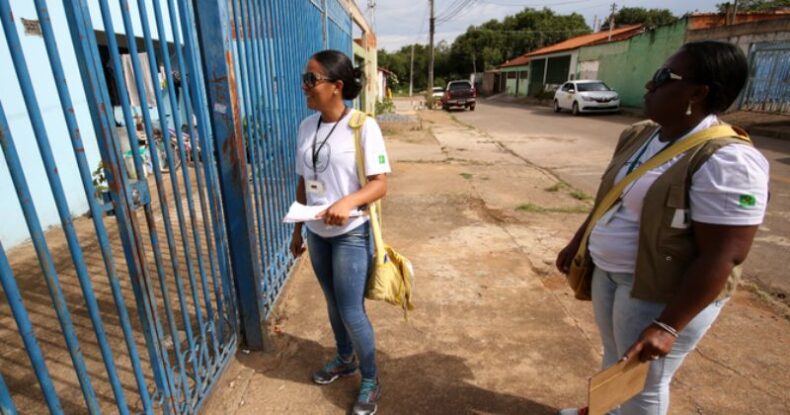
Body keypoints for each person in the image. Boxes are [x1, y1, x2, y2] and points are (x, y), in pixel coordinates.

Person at [556, 41, 769, 415]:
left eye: (663, 77)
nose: (649, 86)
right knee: (615, 362)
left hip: (660, 293)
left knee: (645, 386)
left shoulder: (729, 160)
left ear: (698, 93)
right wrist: (579, 242)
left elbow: (725, 253)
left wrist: (668, 326)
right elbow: (610, 198)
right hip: (611, 276)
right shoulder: (642, 135)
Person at [289, 49, 390, 415]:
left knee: (351, 309)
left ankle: (370, 377)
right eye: (305, 78)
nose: (305, 86)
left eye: (312, 80)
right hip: (317, 233)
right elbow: (304, 181)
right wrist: (299, 231)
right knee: (332, 304)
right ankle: (345, 359)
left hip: (351, 233)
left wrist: (348, 203)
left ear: (337, 86)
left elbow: (379, 184)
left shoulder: (363, 126)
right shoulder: (305, 126)